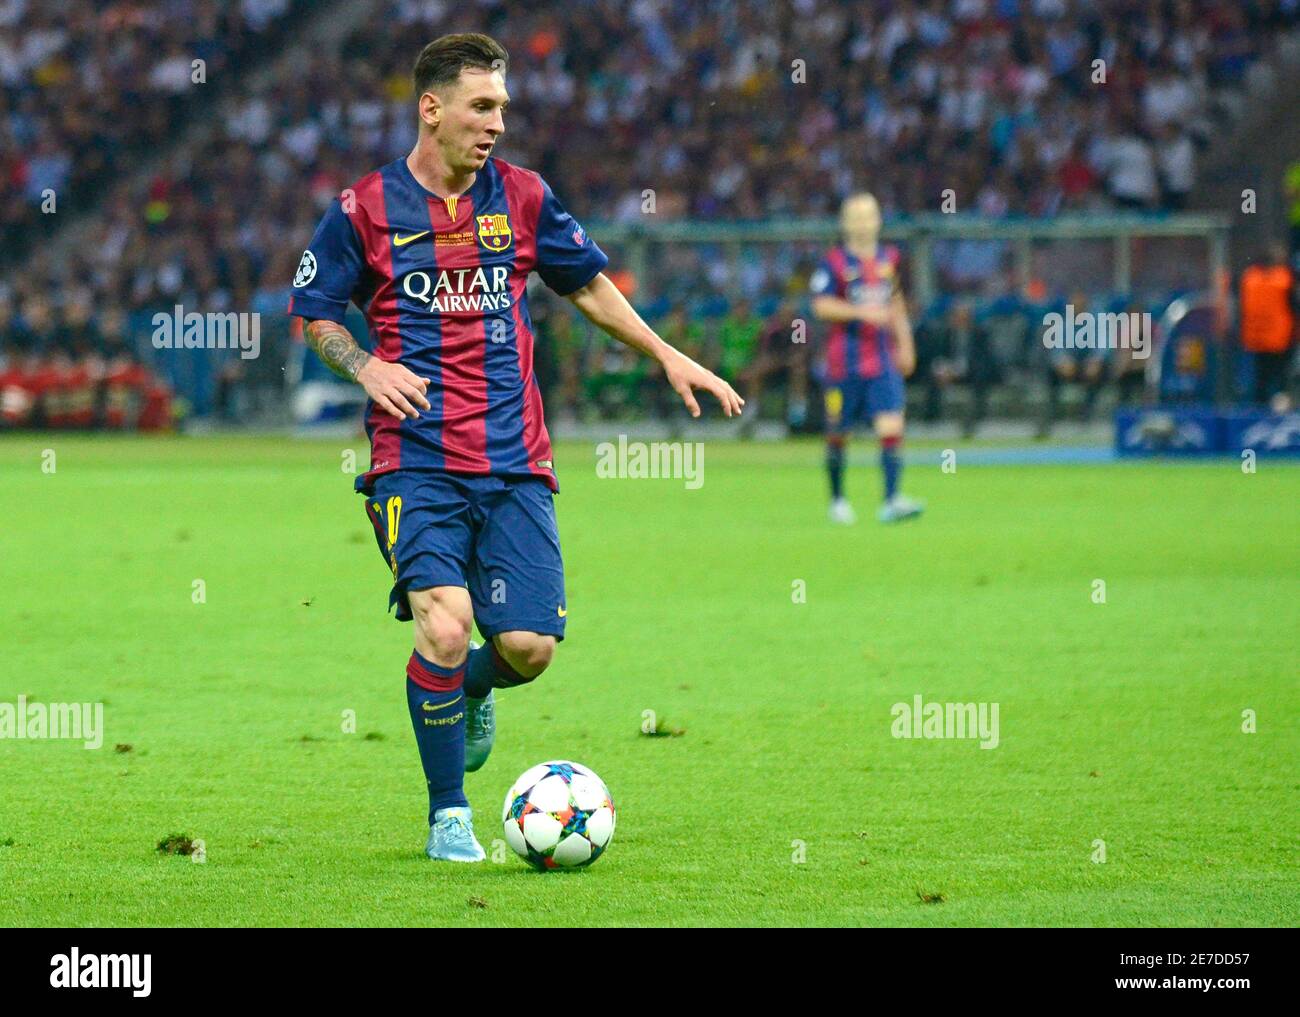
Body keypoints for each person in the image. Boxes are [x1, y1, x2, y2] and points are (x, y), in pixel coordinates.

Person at [287, 34, 742, 862]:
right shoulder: (365, 208)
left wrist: (666, 352)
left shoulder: (523, 197)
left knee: (528, 649)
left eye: (503, 108)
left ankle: (466, 692)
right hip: (413, 458)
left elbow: (588, 286)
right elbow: (316, 312)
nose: (497, 122)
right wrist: (366, 364)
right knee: (446, 622)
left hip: (514, 460)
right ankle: (448, 814)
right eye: (482, 106)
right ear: (432, 108)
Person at [809, 192, 922, 524]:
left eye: (868, 215)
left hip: (882, 360)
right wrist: (861, 312)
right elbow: (820, 305)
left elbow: (896, 302)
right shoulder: (833, 263)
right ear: (844, 224)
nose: (862, 222)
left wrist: (905, 342)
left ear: (878, 220)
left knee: (891, 424)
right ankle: (838, 501)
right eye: (855, 216)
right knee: (837, 432)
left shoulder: (890, 259)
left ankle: (891, 500)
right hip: (843, 363)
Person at [1238, 242, 1296, 408]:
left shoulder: (1250, 278)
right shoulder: (1284, 279)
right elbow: (1293, 306)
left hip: (1255, 340)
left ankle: (1259, 409)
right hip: (1280, 340)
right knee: (1280, 382)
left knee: (1260, 383)